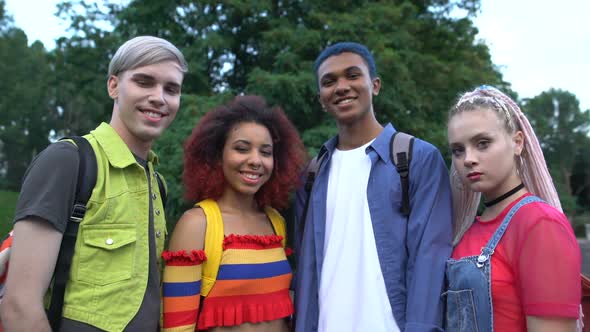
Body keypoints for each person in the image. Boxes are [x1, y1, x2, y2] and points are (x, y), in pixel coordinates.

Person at [0, 36, 188, 331]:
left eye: (171, 89)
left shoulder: (158, 182)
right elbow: (20, 305)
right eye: (144, 81)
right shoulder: (69, 161)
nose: (159, 97)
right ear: (113, 85)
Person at [293, 42, 453, 332]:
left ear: (375, 85)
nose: (341, 86)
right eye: (329, 81)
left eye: (352, 75)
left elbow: (430, 258)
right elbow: (305, 270)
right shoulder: (311, 175)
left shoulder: (418, 158)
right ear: (321, 98)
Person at [161, 95, 307, 332]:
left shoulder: (276, 222)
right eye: (242, 149)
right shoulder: (197, 224)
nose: (255, 161)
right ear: (218, 156)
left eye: (266, 152)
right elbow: (177, 326)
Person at [446, 85, 581, 331]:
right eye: (458, 150)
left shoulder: (540, 224)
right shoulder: (464, 230)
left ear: (518, 142)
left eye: (483, 143)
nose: (468, 159)